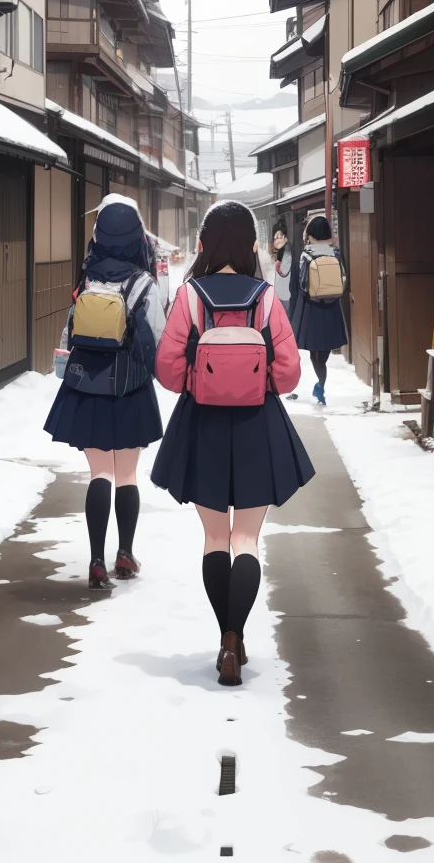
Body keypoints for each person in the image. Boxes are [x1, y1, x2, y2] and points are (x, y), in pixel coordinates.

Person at [151, 201, 314, 686]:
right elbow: (288, 373)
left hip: (202, 425)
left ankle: (223, 635)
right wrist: (256, 381)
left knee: (214, 538)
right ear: (251, 246)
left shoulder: (189, 296)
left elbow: (166, 367)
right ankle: (233, 637)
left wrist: (199, 382)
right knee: (246, 540)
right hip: (256, 426)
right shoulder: (266, 298)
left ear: (204, 246)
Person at [44, 196, 165, 590]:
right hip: (129, 388)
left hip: (87, 386)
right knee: (126, 474)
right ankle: (125, 554)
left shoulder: (87, 278)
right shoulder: (143, 282)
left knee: (99, 473)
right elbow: (157, 338)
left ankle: (95, 559)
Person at [292, 213, 348, 406]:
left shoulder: (306, 255)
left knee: (315, 351)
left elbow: (302, 283)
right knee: (324, 350)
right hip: (332, 307)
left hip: (312, 307)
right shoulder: (336, 253)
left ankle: (320, 383)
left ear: (311, 234)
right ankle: (321, 384)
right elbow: (343, 278)